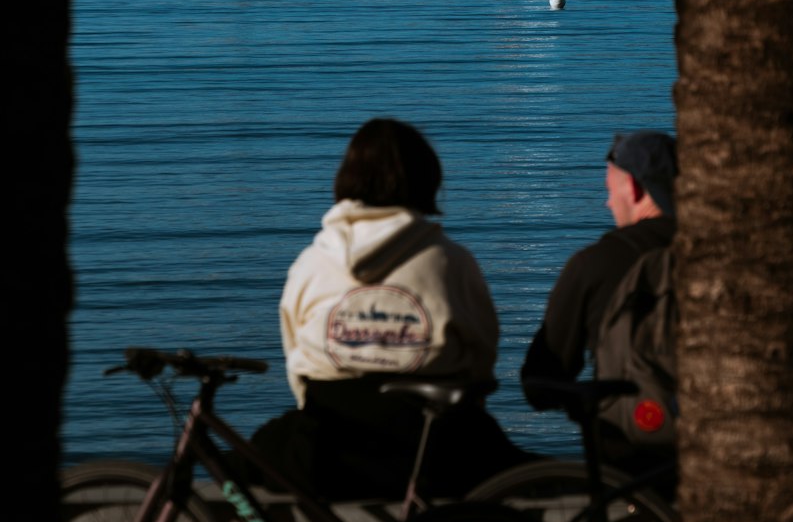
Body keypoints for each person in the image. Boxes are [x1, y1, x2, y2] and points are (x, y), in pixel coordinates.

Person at [251, 117, 528, 500]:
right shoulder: (450, 261)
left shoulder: (312, 262)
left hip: (325, 453)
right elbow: (482, 353)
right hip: (436, 454)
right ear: (428, 178)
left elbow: (295, 357)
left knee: (245, 458)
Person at [521, 130, 677, 472]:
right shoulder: (723, 256)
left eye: (609, 190)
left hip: (627, 453)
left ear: (634, 189)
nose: (607, 203)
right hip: (720, 446)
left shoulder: (593, 264)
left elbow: (538, 384)